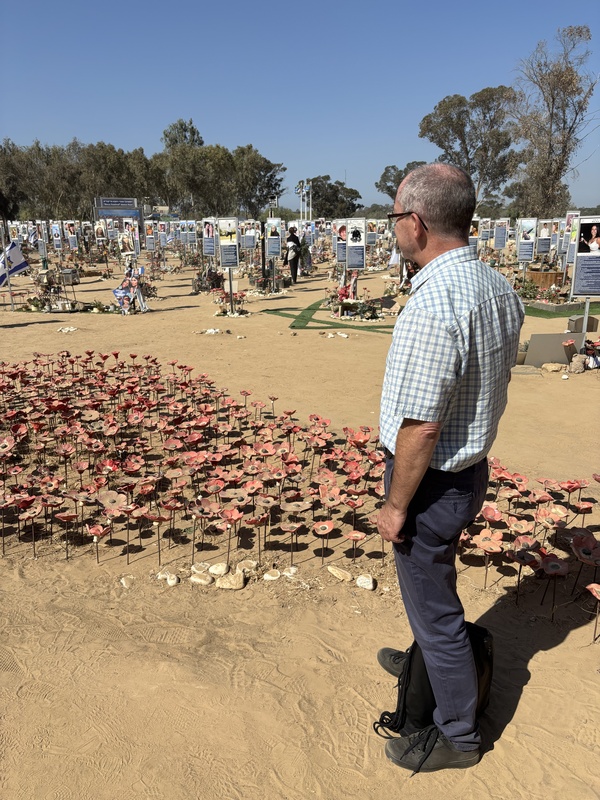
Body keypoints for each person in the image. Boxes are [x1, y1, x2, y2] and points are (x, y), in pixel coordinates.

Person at [377, 163, 524, 774]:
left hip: (430, 480)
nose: (391, 230)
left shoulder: (434, 304)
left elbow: (421, 426)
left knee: (435, 606)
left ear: (414, 223)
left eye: (392, 219)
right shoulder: (497, 287)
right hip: (467, 470)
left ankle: (459, 732)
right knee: (430, 587)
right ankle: (429, 658)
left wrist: (394, 506)